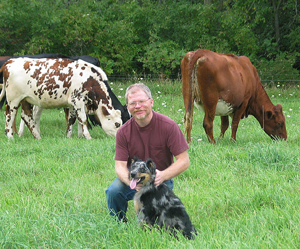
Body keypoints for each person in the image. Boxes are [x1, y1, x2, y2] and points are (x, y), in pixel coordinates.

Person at [105, 83, 190, 222]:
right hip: (134, 178)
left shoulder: (168, 126)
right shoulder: (123, 132)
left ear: (151, 102)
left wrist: (163, 175)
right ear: (127, 107)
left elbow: (184, 160)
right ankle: (118, 223)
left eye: (141, 101)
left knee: (158, 222)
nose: (137, 106)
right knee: (113, 191)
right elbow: (119, 166)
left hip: (160, 180)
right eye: (133, 103)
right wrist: (130, 181)